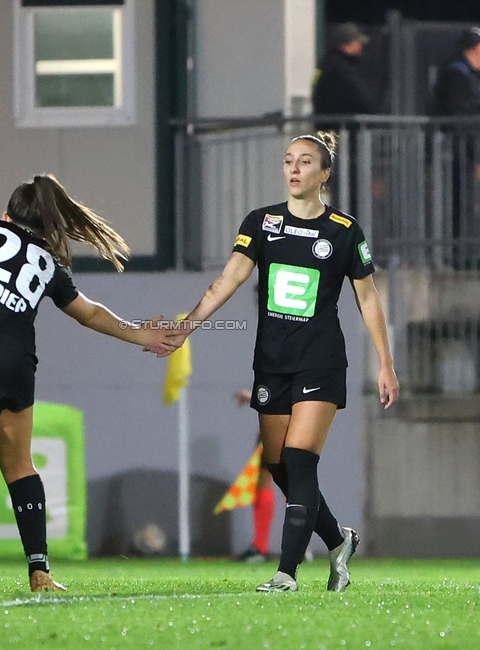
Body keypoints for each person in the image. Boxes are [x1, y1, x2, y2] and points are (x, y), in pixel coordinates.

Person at [0, 174, 179, 593]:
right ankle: (40, 571)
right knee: (19, 465)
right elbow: (89, 312)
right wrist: (140, 333)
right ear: (46, 226)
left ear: (6, 216)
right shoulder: (48, 263)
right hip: (12, 351)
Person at [167, 132, 399, 592]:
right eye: (289, 161)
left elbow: (368, 300)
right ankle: (337, 539)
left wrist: (385, 363)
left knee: (299, 460)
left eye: (305, 162)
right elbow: (227, 280)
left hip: (322, 362)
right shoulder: (262, 222)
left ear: (324, 174)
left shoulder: (344, 230)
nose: (294, 169)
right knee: (278, 467)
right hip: (272, 362)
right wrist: (189, 325)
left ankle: (285, 573)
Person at [428, 27, 480, 262]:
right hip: (457, 154)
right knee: (456, 204)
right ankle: (453, 256)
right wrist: (473, 155)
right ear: (477, 48)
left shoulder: (464, 74)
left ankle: (457, 254)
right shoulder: (457, 75)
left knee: (462, 204)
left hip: (462, 153)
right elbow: (459, 119)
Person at [312, 22, 379, 214]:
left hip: (331, 141)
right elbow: (365, 102)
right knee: (350, 197)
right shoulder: (341, 69)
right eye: (357, 42)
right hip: (344, 144)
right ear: (346, 44)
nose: (361, 47)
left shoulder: (326, 66)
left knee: (342, 195)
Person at [232, 389, 275, 564]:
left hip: (278, 425)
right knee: (292, 483)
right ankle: (302, 547)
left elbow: (281, 392)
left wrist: (254, 397)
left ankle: (260, 547)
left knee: (266, 482)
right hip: (287, 425)